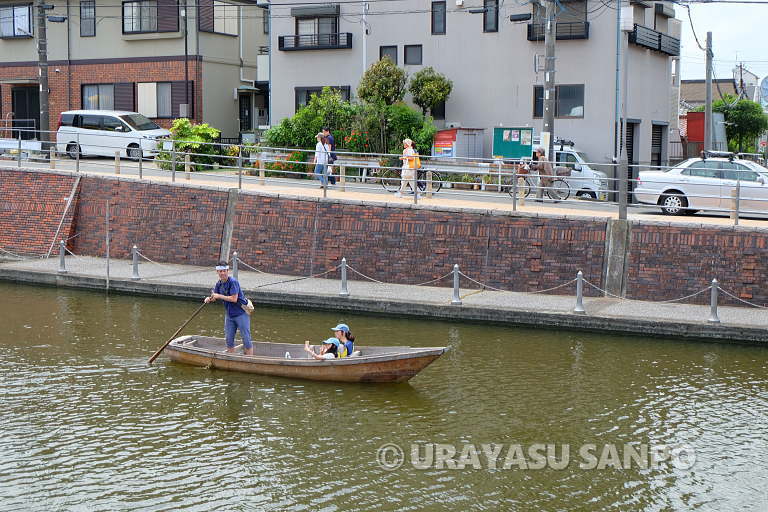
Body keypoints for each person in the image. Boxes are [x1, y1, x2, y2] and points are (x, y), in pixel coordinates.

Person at [204, 260, 253, 355]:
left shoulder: (233, 282)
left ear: (227, 271)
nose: (222, 273)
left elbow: (234, 299)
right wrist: (209, 299)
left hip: (241, 313)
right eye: (220, 271)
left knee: (246, 339)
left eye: (224, 271)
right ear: (217, 272)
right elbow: (215, 296)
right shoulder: (219, 284)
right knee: (229, 339)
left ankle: (250, 360)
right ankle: (231, 358)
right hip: (230, 315)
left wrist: (219, 296)